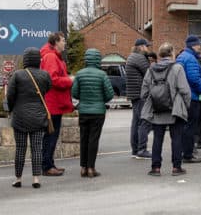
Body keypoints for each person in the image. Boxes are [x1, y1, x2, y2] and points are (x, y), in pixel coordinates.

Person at [140, 42, 191, 176]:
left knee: (157, 139)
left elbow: (144, 93)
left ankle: (156, 168)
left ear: (160, 55)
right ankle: (176, 167)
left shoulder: (151, 69)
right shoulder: (177, 68)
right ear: (172, 53)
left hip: (157, 109)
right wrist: (186, 105)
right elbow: (185, 90)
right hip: (175, 109)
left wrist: (154, 101)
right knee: (177, 138)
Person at [6, 47, 51, 189]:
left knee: (20, 148)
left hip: (20, 117)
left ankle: (18, 178)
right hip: (38, 116)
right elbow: (47, 89)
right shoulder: (45, 75)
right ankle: (36, 178)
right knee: (37, 148)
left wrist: (13, 108)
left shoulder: (18, 75)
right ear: (38, 59)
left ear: (25, 59)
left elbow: (10, 96)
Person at [71, 48, 115, 177]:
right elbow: (110, 94)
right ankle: (91, 168)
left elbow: (74, 93)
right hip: (98, 112)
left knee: (83, 138)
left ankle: (83, 167)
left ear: (86, 59)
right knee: (93, 140)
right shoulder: (102, 75)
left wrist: (83, 99)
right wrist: (101, 100)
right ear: (97, 59)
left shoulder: (79, 74)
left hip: (83, 110)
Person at [40, 32, 74, 176]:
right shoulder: (51, 57)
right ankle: (47, 166)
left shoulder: (53, 57)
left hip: (55, 103)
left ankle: (50, 164)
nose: (65, 43)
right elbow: (52, 80)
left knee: (52, 136)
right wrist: (70, 80)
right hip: (52, 104)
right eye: (63, 40)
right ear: (56, 42)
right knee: (50, 136)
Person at [176, 35, 201, 164]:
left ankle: (182, 151)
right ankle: (188, 154)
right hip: (192, 97)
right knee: (190, 126)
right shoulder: (191, 58)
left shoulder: (181, 57)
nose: (200, 46)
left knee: (183, 126)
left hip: (182, 96)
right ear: (194, 45)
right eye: (199, 44)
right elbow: (194, 78)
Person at [125, 38, 153, 159]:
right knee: (144, 122)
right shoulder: (140, 58)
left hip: (134, 94)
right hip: (141, 94)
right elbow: (149, 73)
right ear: (141, 47)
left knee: (136, 122)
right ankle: (142, 149)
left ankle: (135, 150)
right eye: (147, 47)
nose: (148, 49)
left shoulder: (132, 56)